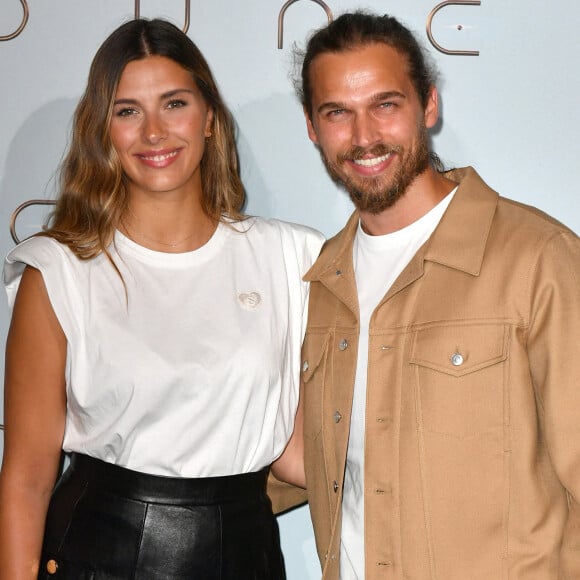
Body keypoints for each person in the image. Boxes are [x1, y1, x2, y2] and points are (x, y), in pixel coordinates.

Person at [0, 18, 323, 580]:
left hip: (247, 549)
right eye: (128, 110)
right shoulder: (58, 270)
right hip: (97, 554)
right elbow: (28, 472)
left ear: (211, 121)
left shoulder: (293, 258)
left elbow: (298, 451)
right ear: (103, 131)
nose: (154, 132)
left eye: (174, 104)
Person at [295, 10, 580, 580]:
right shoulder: (318, 281)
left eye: (385, 105)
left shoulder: (536, 257)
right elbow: (301, 461)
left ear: (428, 105)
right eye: (338, 113)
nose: (364, 137)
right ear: (311, 127)